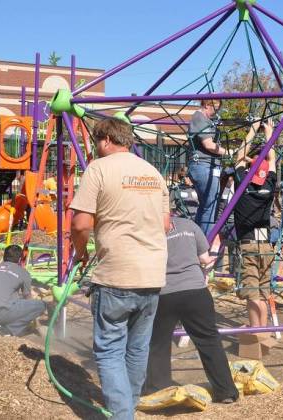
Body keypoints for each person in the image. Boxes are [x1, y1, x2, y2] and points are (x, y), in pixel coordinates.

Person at [70, 117, 170, 419]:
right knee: (137, 349)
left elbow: (81, 223)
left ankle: (122, 414)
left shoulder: (99, 169)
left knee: (110, 350)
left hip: (116, 273)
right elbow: (165, 225)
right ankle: (129, 405)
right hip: (152, 274)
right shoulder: (153, 173)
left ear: (105, 140)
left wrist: (81, 253)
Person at [145, 216, 239, 403]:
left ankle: (160, 390)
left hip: (165, 292)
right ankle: (226, 390)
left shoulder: (148, 228)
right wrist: (206, 265)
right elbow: (204, 258)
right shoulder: (188, 225)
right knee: (209, 340)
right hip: (196, 291)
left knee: (158, 343)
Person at [233, 119, 277, 332]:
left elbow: (240, 155)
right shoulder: (269, 185)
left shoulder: (242, 184)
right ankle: (263, 329)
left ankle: (255, 331)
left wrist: (253, 129)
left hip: (249, 244)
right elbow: (273, 159)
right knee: (263, 291)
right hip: (265, 244)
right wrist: (270, 133)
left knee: (252, 293)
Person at [0, 245, 45, 337]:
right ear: (20, 259)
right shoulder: (23, 273)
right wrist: (35, 320)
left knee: (9, 299)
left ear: (4, 256)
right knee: (40, 305)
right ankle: (7, 330)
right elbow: (27, 298)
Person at [188, 99, 228, 235]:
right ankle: (206, 241)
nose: (216, 112)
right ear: (207, 105)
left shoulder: (206, 120)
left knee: (206, 206)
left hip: (206, 166)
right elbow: (208, 144)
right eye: (215, 108)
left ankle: (199, 239)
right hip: (203, 166)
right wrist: (228, 152)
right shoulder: (199, 117)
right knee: (210, 207)